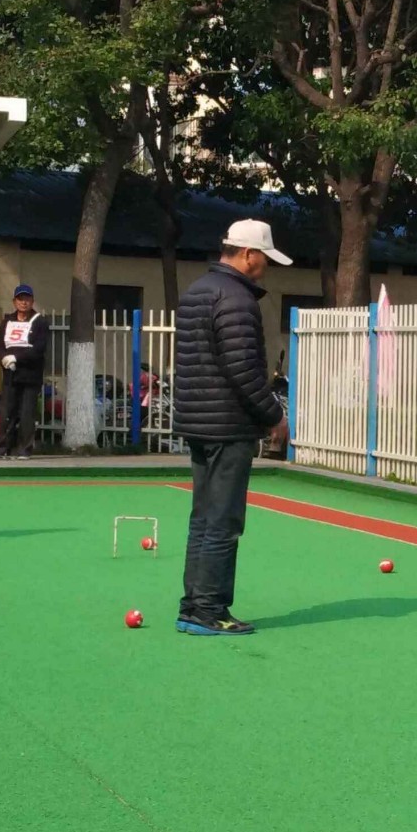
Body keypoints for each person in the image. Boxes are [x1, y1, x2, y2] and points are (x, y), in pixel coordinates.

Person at [172, 218, 290, 636]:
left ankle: (193, 606)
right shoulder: (237, 299)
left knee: (203, 518)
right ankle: (209, 609)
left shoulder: (196, 291)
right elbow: (243, 370)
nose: (266, 267)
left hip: (197, 420)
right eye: (265, 258)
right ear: (249, 254)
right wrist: (274, 415)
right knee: (223, 521)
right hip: (228, 424)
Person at [0, 283, 50, 459]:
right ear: (14, 301)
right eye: (20, 299)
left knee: (27, 414)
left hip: (30, 376)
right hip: (10, 375)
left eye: (27, 299)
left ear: (32, 301)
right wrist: (4, 359)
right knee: (6, 413)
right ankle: (2, 448)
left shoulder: (40, 322)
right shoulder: (7, 321)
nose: (24, 302)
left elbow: (39, 348)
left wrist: (17, 358)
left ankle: (24, 449)